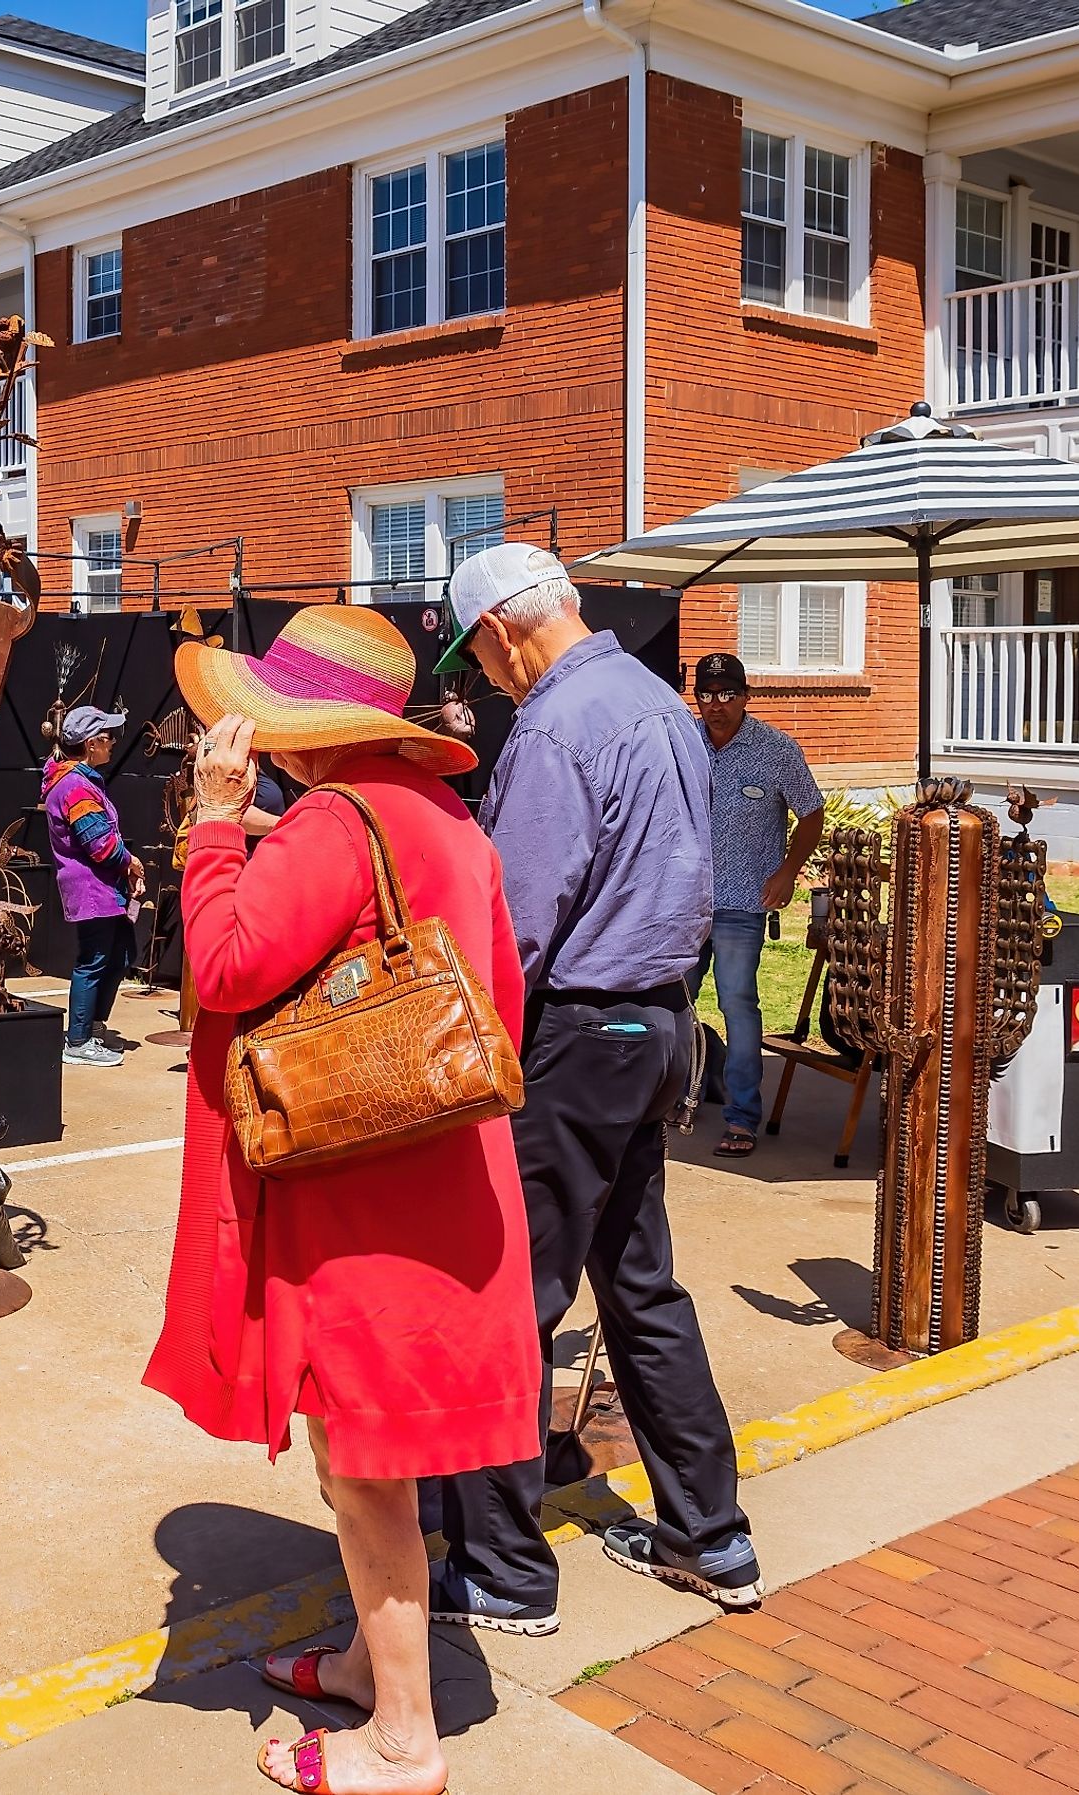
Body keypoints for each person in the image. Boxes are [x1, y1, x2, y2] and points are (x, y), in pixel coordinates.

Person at [144, 606, 538, 1795]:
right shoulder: (441, 814)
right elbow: (501, 997)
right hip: (441, 1172)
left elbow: (219, 967)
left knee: (363, 1461)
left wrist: (217, 829)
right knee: (386, 1448)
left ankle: (404, 1740)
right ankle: (376, 1662)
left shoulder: (328, 822)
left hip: (360, 1195)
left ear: (295, 725)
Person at [432, 542, 762, 1625]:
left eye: (476, 657)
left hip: (582, 1029)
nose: (483, 679)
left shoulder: (558, 725)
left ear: (500, 632)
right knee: (639, 1285)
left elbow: (515, 925)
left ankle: (501, 1570)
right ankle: (710, 1537)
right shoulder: (659, 704)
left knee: (507, 1301)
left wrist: (457, 1060)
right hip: (660, 1020)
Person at [689, 651, 823, 1158]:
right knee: (672, 1002)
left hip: (744, 902)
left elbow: (811, 814)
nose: (716, 705)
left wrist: (787, 873)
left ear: (746, 696)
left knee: (737, 1006)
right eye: (706, 694)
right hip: (684, 901)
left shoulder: (775, 750)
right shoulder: (684, 743)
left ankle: (741, 1116)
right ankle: (667, 1103)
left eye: (727, 694)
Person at [42, 704, 144, 1066]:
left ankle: (92, 1027)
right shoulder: (75, 787)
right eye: (107, 737)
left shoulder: (77, 782)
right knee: (95, 959)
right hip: (92, 890)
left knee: (120, 955)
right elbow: (99, 844)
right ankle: (79, 1039)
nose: (113, 743)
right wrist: (129, 862)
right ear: (90, 744)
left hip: (103, 889)